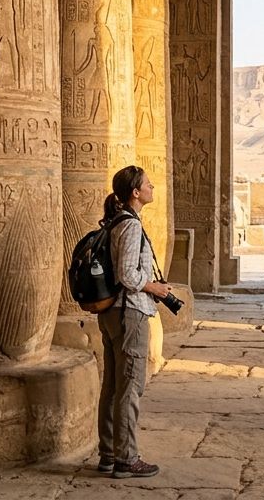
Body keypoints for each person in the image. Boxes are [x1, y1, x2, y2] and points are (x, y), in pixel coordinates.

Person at [97, 165, 173, 479]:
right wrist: (154, 287)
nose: (153, 186)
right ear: (135, 192)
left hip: (115, 313)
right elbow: (128, 275)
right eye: (148, 184)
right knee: (129, 387)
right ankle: (126, 459)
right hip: (130, 313)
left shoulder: (119, 221)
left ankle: (109, 455)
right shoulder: (129, 225)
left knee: (114, 387)